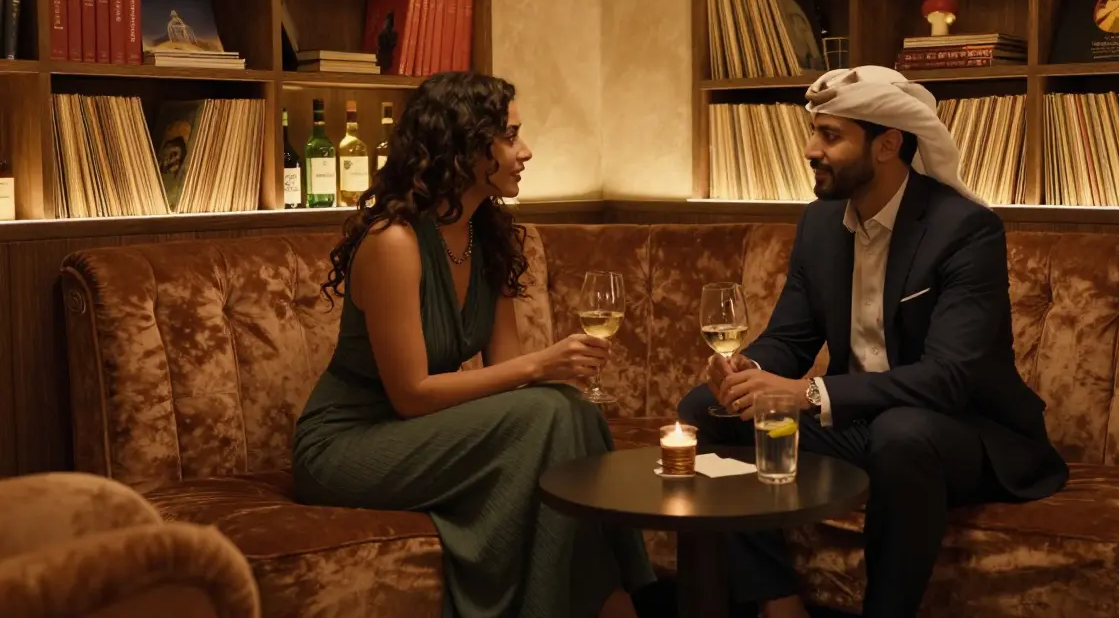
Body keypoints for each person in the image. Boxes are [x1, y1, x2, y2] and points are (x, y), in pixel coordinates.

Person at [678, 66, 1069, 618]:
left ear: (887, 144)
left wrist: (808, 395)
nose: (811, 149)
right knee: (707, 407)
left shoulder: (965, 228)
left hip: (959, 430)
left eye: (831, 135)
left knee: (902, 432)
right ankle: (777, 597)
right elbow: (789, 340)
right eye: (813, 131)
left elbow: (950, 376)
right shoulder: (819, 224)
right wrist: (747, 369)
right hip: (856, 423)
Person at [291, 72, 656, 618]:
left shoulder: (488, 234)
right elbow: (411, 394)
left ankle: (619, 599)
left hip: (414, 428)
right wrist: (544, 362)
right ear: (464, 145)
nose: (526, 151)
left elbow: (508, 371)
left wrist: (547, 370)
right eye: (510, 136)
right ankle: (613, 601)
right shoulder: (395, 242)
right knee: (548, 413)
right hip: (351, 440)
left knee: (568, 410)